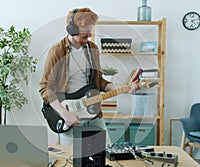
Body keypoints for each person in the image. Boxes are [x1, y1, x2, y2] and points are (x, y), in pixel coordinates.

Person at [39, 8, 139, 145]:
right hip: (69, 113)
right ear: (71, 29)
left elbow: (100, 82)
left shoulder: (93, 49)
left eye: (90, 31)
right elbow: (45, 88)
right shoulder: (57, 51)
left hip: (92, 111)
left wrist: (123, 88)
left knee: (104, 155)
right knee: (71, 160)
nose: (89, 35)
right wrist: (64, 113)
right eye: (85, 32)